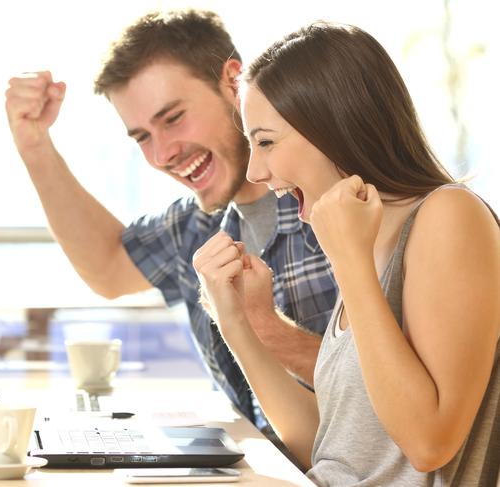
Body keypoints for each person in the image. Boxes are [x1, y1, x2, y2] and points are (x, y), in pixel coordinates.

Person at [4, 9, 337, 438]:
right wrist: (34, 145)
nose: (162, 154)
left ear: (233, 83)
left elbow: (403, 390)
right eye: (142, 136)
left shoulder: (337, 201)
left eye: (173, 118)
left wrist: (263, 330)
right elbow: (107, 266)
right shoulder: (197, 226)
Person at [193, 22, 500, 485]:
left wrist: (351, 264)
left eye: (267, 141)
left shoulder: (449, 216)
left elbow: (429, 442)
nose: (255, 170)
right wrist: (237, 324)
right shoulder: (368, 240)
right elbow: (333, 449)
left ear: (336, 127)